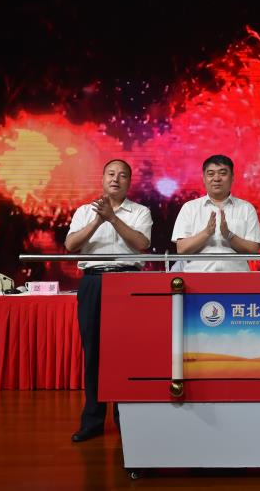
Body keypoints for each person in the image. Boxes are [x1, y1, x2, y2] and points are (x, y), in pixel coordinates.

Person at [64, 159, 152, 442]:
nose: (116, 179)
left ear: (129, 182)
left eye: (122, 175)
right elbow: (71, 245)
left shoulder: (140, 212)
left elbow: (142, 244)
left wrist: (113, 219)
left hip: (128, 281)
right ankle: (92, 421)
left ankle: (126, 420)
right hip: (94, 280)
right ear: (102, 179)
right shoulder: (84, 211)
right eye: (111, 174)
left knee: (127, 352)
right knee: (93, 352)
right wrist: (97, 220)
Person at [172, 155, 260, 271]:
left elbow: (253, 250)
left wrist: (229, 236)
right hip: (197, 278)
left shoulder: (246, 208)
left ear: (232, 177)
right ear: (204, 178)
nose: (217, 178)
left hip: (236, 278)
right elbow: (181, 249)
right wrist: (206, 233)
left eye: (223, 173)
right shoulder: (189, 208)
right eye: (211, 174)